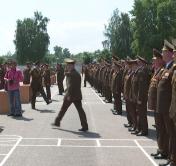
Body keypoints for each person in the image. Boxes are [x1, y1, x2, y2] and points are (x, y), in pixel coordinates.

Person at [54, 58, 88, 131]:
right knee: (79, 110)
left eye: (68, 66)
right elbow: (70, 83)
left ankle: (57, 121)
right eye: (67, 66)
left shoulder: (73, 74)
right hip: (74, 95)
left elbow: (72, 86)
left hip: (72, 95)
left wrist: (68, 95)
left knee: (65, 109)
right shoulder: (73, 73)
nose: (67, 67)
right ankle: (85, 126)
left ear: (72, 66)